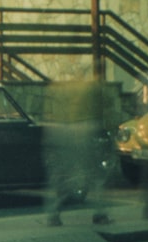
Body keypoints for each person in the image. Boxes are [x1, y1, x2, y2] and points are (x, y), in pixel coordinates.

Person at [45, 81, 111, 227]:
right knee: (95, 177)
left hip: (64, 137)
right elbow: (105, 110)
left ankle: (54, 213)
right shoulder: (94, 91)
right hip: (84, 136)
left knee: (67, 177)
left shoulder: (62, 92)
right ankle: (100, 214)